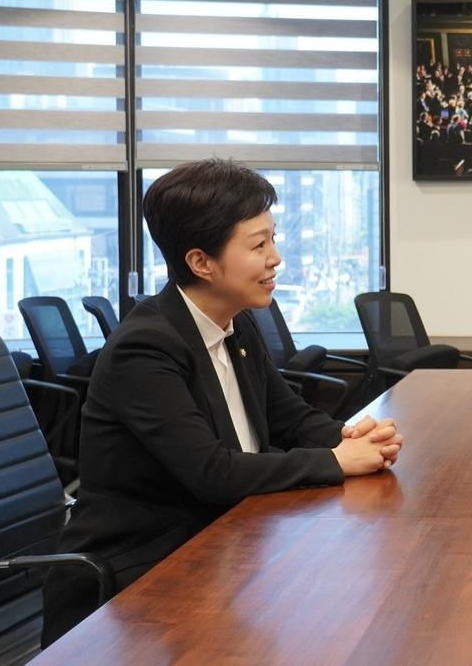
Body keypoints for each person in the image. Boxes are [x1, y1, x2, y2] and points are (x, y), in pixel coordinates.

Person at [42, 159, 403, 645]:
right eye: (259, 244)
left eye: (273, 238)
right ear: (201, 262)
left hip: (224, 548)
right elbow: (212, 473)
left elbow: (289, 417)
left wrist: (354, 437)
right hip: (135, 584)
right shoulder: (145, 348)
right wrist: (338, 461)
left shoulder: (236, 324)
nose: (275, 257)